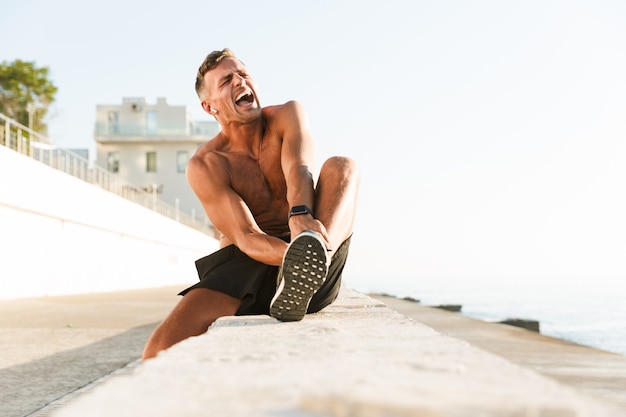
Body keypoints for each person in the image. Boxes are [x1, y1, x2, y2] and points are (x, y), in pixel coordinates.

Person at [142, 49, 359, 360]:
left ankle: (317, 259)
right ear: (209, 106)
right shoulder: (206, 164)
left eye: (243, 74)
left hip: (315, 251)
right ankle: (305, 267)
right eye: (227, 80)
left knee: (343, 166)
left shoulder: (287, 115)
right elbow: (247, 236)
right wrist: (294, 259)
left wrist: (300, 217)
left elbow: (299, 166)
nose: (239, 81)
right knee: (158, 350)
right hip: (246, 263)